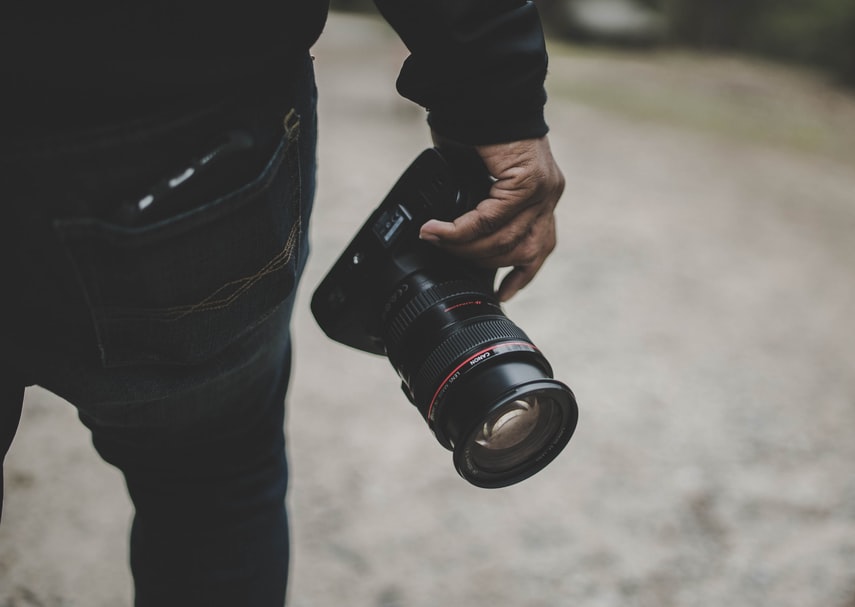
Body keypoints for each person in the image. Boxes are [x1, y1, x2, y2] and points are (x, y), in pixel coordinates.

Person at [0, 1, 565, 605]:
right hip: (187, 128)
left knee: (213, 475)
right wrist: (496, 98)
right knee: (210, 478)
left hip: (144, 101)